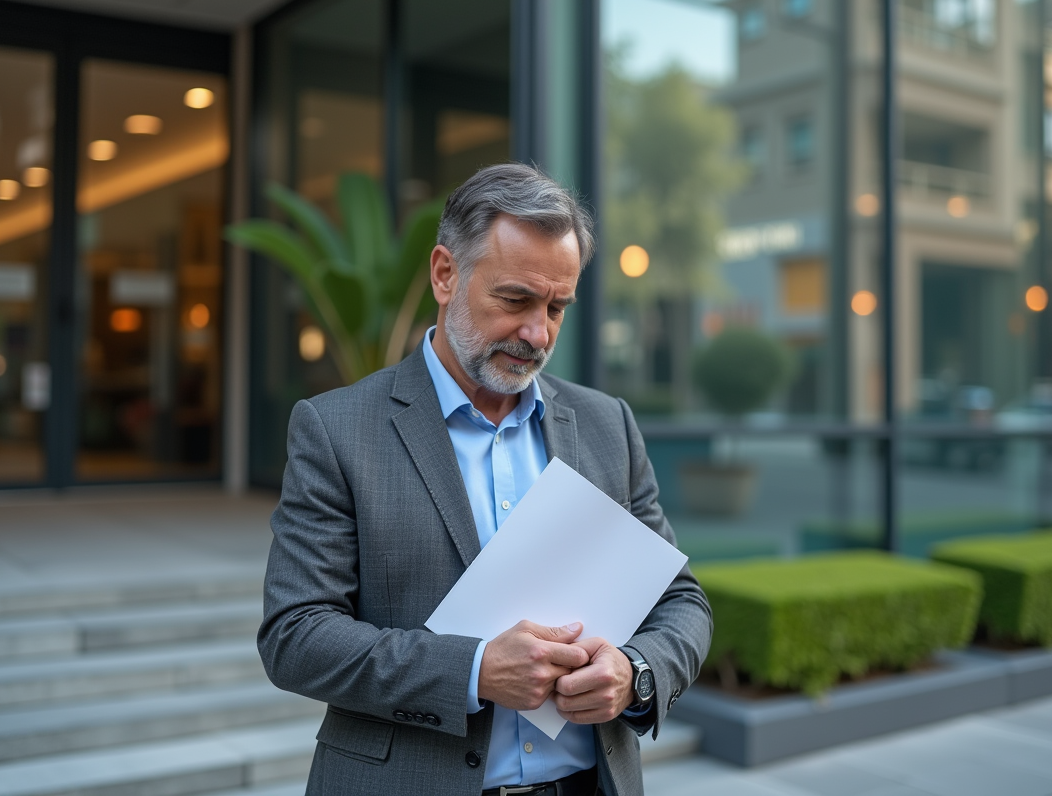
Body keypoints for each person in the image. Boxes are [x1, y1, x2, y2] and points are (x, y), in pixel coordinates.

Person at [259, 163, 712, 796]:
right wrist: (471, 670)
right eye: (516, 300)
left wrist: (636, 672)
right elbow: (296, 635)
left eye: (557, 307)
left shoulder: (608, 424)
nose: (538, 333)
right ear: (445, 274)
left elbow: (681, 602)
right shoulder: (336, 430)